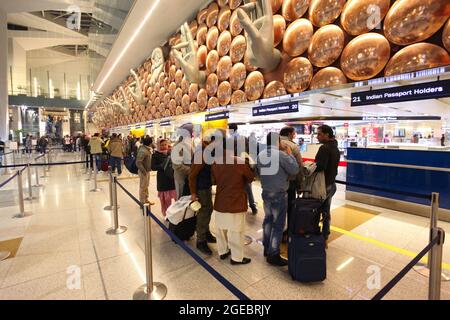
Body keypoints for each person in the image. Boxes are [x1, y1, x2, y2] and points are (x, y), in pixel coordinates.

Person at [257, 132, 299, 266]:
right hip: (279, 194)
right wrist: (289, 154)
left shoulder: (261, 155)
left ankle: (266, 247)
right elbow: (294, 170)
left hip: (266, 192)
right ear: (278, 141)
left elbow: (258, 173)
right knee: (278, 225)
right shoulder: (281, 155)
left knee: (268, 220)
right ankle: (273, 254)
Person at [212, 135, 255, 265]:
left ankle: (223, 251)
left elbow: (214, 180)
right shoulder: (240, 161)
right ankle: (237, 258)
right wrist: (250, 164)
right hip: (236, 200)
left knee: (220, 229)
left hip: (220, 200)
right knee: (236, 230)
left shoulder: (215, 162)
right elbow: (250, 179)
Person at [189, 135, 216, 255]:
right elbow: (192, 175)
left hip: (206, 186)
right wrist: (193, 193)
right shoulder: (202, 153)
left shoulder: (207, 151)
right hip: (200, 188)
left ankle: (206, 232)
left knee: (208, 210)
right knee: (203, 212)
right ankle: (201, 241)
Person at [315, 125, 340, 248]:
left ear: (326, 134)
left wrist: (309, 167)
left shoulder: (324, 148)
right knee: (326, 211)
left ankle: (314, 234)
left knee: (315, 210)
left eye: (319, 134)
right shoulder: (335, 147)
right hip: (331, 184)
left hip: (322, 184)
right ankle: (325, 236)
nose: (317, 136)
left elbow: (320, 166)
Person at [279, 126, 304, 243]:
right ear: (289, 134)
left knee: (276, 209)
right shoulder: (293, 147)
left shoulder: (271, 145)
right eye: (294, 133)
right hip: (290, 183)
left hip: (273, 184)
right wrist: (300, 185)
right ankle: (289, 231)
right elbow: (299, 167)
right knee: (290, 208)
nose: (295, 135)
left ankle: (276, 232)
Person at [228, 123, 258, 215]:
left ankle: (236, 205)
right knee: (247, 186)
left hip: (232, 166)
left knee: (233, 186)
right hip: (244, 164)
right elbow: (248, 151)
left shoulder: (229, 140)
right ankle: (252, 206)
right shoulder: (244, 138)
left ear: (230, 130)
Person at [151, 139, 177, 216]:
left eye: (165, 145)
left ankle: (176, 214)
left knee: (176, 198)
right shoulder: (155, 155)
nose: (164, 146)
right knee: (165, 200)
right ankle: (166, 214)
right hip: (163, 180)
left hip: (172, 178)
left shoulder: (171, 153)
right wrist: (162, 166)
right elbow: (153, 167)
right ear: (158, 145)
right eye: (162, 145)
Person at [173, 123, 194, 199]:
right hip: (181, 177)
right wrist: (191, 170)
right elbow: (177, 166)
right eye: (192, 131)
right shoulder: (177, 146)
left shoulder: (189, 143)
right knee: (181, 199)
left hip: (188, 176)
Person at [136, 136, 155, 205]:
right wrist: (143, 171)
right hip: (143, 171)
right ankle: (142, 202)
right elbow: (138, 162)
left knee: (146, 186)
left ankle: (146, 199)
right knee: (143, 186)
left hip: (146, 171)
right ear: (150, 143)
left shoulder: (146, 149)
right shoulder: (143, 151)